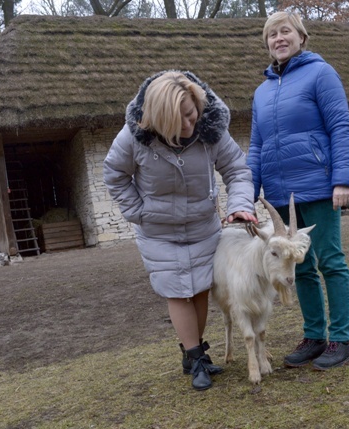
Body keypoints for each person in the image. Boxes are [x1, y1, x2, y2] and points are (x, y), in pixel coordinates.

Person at [103, 71, 258, 391]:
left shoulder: (212, 129)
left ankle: (193, 351)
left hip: (203, 224)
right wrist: (137, 212)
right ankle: (196, 356)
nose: (189, 125)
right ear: (157, 120)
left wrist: (239, 205)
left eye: (191, 114)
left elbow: (237, 170)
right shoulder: (133, 137)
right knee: (178, 290)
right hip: (158, 231)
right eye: (178, 122)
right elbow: (115, 174)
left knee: (200, 287)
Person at [247, 11, 349, 371]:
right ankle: (314, 336)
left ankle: (341, 338)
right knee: (300, 268)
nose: (278, 39)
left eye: (285, 32)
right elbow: (257, 146)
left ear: (301, 37)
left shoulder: (321, 74)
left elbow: (340, 126)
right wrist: (247, 193)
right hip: (281, 197)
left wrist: (342, 179)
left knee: (330, 261)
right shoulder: (261, 93)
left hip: (320, 187)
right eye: (272, 35)